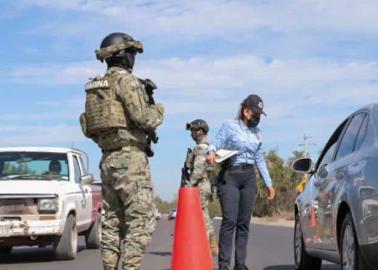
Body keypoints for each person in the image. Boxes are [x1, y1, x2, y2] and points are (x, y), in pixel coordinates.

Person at [79, 32, 164, 270]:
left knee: (112, 223)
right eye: (132, 53)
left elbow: (89, 128)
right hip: (131, 161)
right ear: (123, 55)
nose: (134, 58)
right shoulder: (126, 81)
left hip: (108, 160)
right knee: (141, 222)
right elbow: (143, 117)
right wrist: (158, 110)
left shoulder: (95, 87)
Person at [207, 94, 275, 270]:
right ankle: (223, 265)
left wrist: (269, 184)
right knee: (229, 220)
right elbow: (215, 143)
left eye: (260, 115)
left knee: (243, 223)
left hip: (249, 177)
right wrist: (212, 152)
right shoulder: (230, 126)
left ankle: (240, 264)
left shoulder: (257, 133)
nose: (258, 118)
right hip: (230, 175)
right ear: (246, 111)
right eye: (256, 114)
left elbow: (259, 158)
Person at [185, 119, 219, 256]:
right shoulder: (204, 146)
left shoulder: (202, 147)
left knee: (202, 217)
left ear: (200, 131)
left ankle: (204, 249)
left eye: (193, 130)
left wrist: (189, 185)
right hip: (205, 184)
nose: (191, 133)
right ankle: (211, 246)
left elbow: (199, 169)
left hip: (201, 184)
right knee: (204, 215)